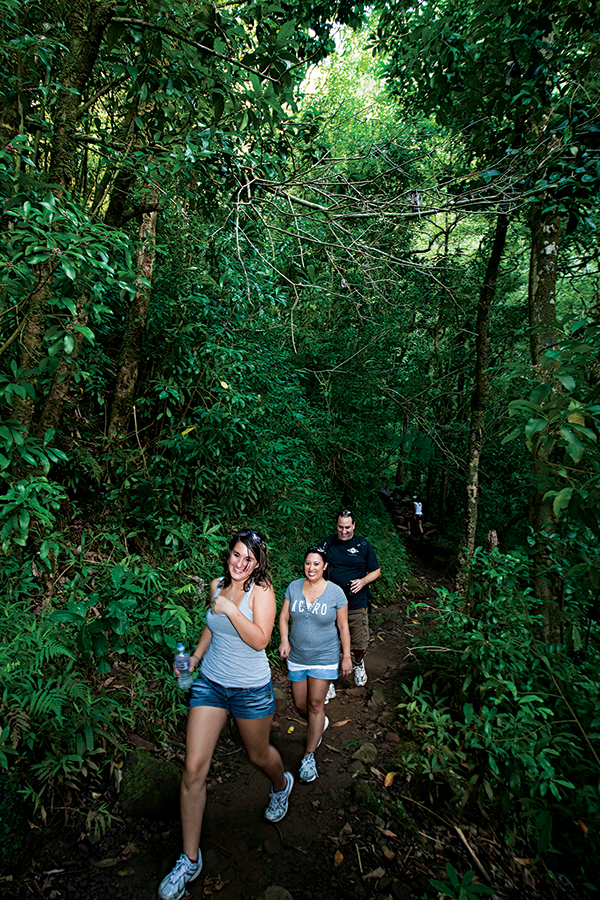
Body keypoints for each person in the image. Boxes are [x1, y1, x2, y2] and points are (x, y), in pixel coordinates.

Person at [158, 529, 293, 900]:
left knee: (258, 755)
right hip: (211, 684)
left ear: (258, 563)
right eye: (236, 555)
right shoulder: (217, 584)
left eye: (248, 559)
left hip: (250, 690)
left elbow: (261, 639)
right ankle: (189, 859)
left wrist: (232, 609)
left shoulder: (262, 591)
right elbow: (210, 626)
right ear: (229, 554)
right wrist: (194, 660)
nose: (240, 564)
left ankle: (281, 785)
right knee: (193, 770)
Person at [278, 546, 352, 782]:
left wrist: (347, 655)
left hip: (324, 656)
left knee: (315, 703)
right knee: (300, 705)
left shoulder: (336, 593)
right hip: (297, 657)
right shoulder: (293, 587)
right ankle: (319, 724)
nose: (311, 568)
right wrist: (283, 640)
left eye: (316, 564)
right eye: (308, 563)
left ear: (325, 566)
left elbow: (343, 627)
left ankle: (309, 757)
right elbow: (283, 617)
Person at [319, 509, 381, 691]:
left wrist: (363, 581)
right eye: (340, 527)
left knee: (360, 642)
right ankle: (328, 679)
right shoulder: (327, 544)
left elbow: (376, 570)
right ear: (336, 525)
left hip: (356, 602)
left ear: (354, 525)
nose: (343, 531)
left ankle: (358, 662)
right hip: (330, 604)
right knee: (329, 643)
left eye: (347, 527)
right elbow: (313, 563)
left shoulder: (363, 545)